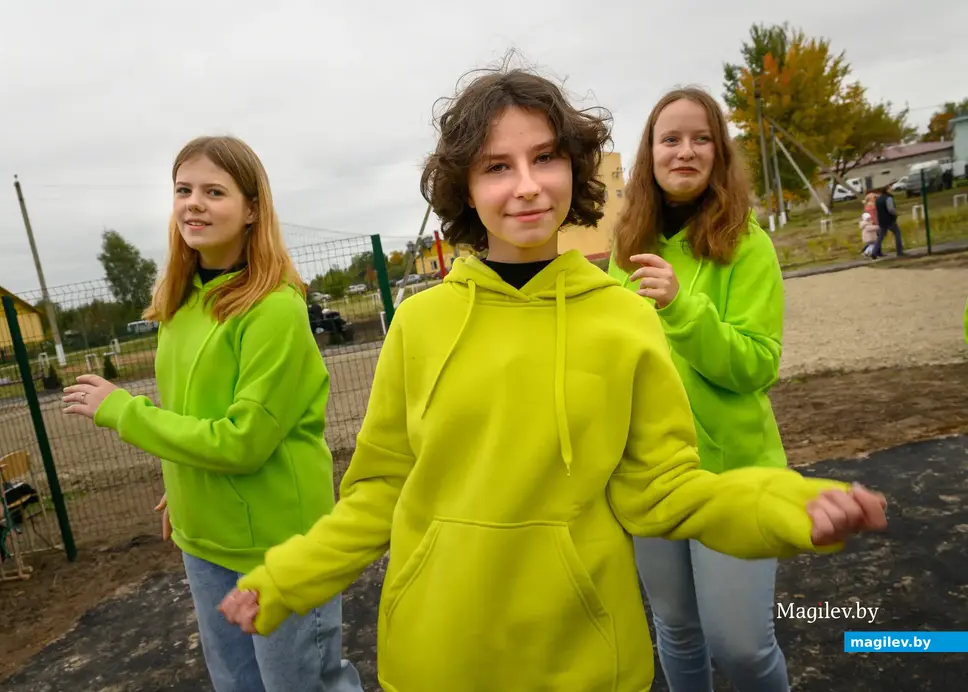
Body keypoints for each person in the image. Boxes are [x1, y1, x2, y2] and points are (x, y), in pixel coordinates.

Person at [218, 68, 888, 692]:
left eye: (545, 157)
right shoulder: (419, 325)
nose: (527, 185)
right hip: (436, 654)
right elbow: (377, 493)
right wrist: (286, 578)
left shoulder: (626, 319)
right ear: (466, 188)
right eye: (496, 167)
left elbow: (667, 492)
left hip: (588, 657)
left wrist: (784, 508)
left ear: (574, 166)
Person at [61, 136, 362, 692]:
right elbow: (191, 415)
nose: (193, 203)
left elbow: (243, 441)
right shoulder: (179, 304)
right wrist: (182, 488)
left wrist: (123, 410)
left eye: (214, 191)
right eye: (183, 189)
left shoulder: (275, 309)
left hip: (278, 544)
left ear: (252, 210)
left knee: (303, 686)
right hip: (203, 540)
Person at [608, 85, 828, 691]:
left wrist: (683, 307)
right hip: (649, 475)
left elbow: (757, 364)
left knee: (741, 648)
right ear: (649, 154)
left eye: (701, 138)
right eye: (670, 139)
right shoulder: (627, 250)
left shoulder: (748, 244)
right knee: (676, 630)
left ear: (720, 153)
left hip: (732, 475)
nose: (685, 151)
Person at [873, 183, 905, 258]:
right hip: (890, 220)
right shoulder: (888, 198)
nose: (892, 190)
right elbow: (890, 209)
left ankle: (874, 252)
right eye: (890, 189)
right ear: (887, 190)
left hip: (881, 220)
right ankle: (899, 251)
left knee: (880, 237)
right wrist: (896, 213)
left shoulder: (878, 199)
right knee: (897, 233)